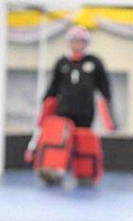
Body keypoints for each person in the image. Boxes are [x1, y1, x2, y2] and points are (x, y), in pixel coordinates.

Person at [24, 25, 116, 186]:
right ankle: (52, 171)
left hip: (86, 110)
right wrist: (47, 102)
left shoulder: (94, 62)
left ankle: (84, 175)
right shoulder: (62, 62)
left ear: (86, 43)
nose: (78, 44)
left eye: (81, 41)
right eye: (74, 41)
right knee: (59, 141)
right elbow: (54, 85)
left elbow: (104, 84)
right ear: (69, 43)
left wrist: (108, 102)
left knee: (83, 141)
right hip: (64, 109)